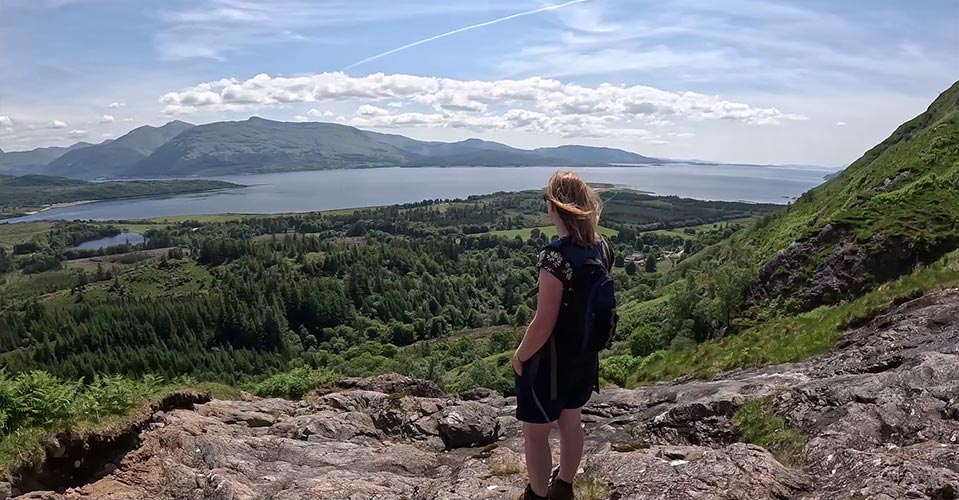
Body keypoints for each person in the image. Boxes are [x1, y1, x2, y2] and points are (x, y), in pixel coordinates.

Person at [512, 170, 612, 500]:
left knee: (536, 434)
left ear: (554, 207)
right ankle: (564, 485)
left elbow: (544, 322)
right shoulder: (602, 248)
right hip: (584, 357)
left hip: (550, 362)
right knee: (572, 420)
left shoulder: (555, 256)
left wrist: (520, 356)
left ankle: (538, 494)